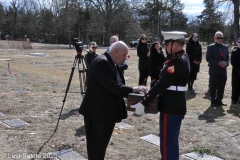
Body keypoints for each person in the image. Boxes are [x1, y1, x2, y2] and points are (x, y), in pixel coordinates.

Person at [78, 41, 148, 160]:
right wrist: (134, 89)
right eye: (124, 54)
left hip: (103, 112)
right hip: (98, 113)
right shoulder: (102, 62)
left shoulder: (110, 61)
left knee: (99, 147)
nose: (125, 58)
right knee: (97, 147)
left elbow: (117, 83)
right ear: (115, 51)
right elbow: (111, 86)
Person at [131, 31, 190, 160]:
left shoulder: (176, 62)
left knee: (167, 143)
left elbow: (161, 85)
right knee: (170, 142)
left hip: (171, 106)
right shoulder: (181, 57)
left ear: (174, 44)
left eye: (167, 44)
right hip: (173, 104)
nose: (165, 47)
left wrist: (143, 102)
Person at [206, 31, 229, 107]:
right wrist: (218, 63)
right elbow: (208, 58)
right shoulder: (211, 47)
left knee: (221, 87)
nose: (220, 39)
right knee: (213, 86)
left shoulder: (226, 47)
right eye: (218, 38)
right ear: (215, 38)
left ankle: (219, 100)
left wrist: (226, 63)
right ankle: (213, 101)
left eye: (221, 38)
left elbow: (227, 59)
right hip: (214, 71)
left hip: (223, 71)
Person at [231, 38, 240, 104]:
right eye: (239, 42)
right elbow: (232, 62)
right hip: (236, 72)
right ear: (237, 43)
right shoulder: (234, 52)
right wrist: (238, 69)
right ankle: (234, 99)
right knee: (235, 85)